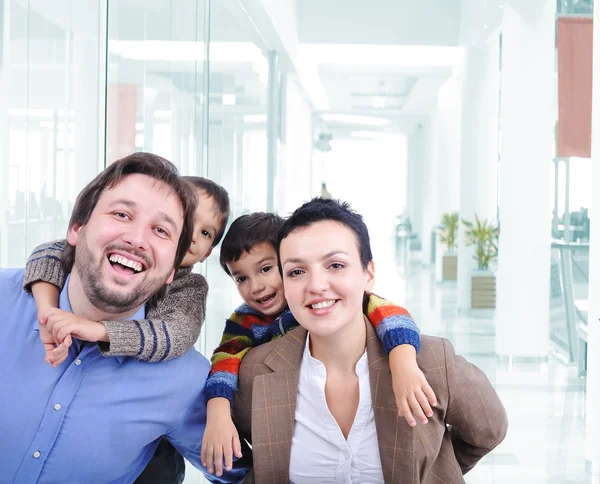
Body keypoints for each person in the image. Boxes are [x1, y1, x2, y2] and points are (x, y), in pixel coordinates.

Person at [0, 153, 247, 483]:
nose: (137, 239)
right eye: (121, 214)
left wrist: (100, 331)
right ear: (77, 227)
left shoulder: (183, 375)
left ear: (176, 266)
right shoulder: (15, 294)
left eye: (161, 229)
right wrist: (46, 311)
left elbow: (244, 473)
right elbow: (50, 254)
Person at [232, 198, 508, 483]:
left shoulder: (432, 362)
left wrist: (435, 469)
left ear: (368, 274)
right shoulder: (256, 371)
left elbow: (489, 431)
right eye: (297, 272)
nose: (316, 285)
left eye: (336, 265)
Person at [201, 212, 437, 477]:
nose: (256, 286)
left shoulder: (330, 304)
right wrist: (218, 410)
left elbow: (392, 314)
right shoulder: (245, 319)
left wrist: (402, 363)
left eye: (266, 269)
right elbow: (225, 358)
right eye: (241, 278)